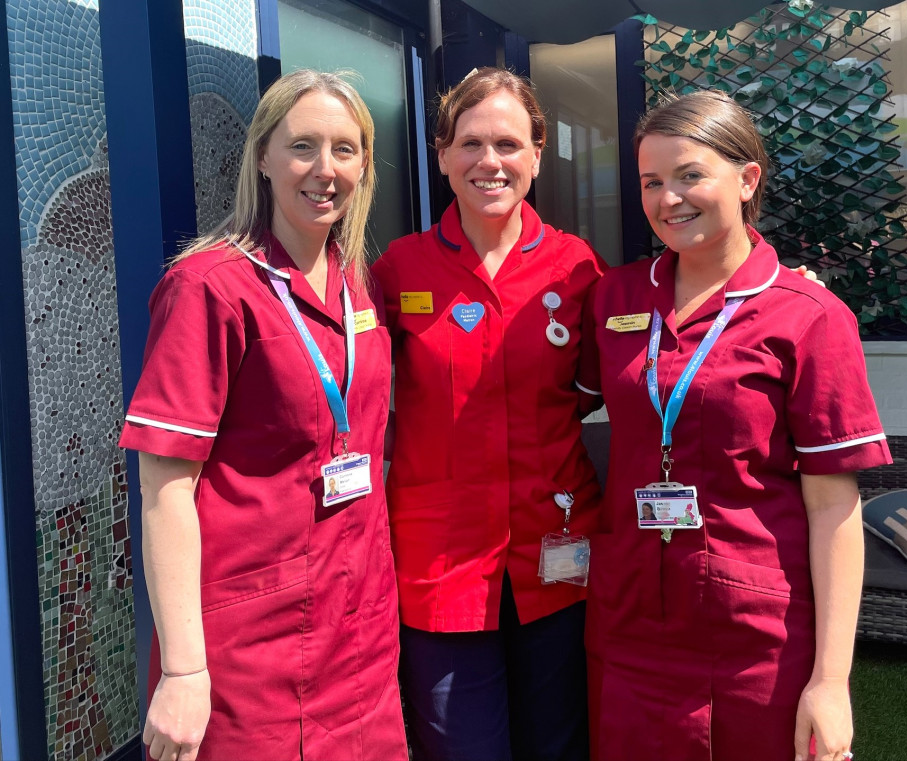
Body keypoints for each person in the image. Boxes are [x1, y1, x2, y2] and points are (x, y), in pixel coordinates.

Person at [583, 90, 891, 761]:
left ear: (748, 178)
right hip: (630, 627)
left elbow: (834, 504)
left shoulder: (808, 315)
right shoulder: (616, 298)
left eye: (691, 175)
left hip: (756, 639)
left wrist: (831, 680)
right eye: (652, 182)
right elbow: (547, 399)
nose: (670, 199)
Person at [119, 69, 407, 761]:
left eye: (345, 149)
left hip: (360, 637)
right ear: (263, 157)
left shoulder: (356, 288)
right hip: (254, 656)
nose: (325, 169)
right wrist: (185, 669)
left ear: (366, 163)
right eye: (303, 145)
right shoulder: (209, 287)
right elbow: (164, 486)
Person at [371, 68, 606, 761]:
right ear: (441, 155)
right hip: (439, 564)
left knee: (559, 744)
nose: (489, 161)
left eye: (508, 142)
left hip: (556, 557)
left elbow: (599, 383)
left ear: (537, 153)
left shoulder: (577, 268)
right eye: (469, 143)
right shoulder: (398, 270)